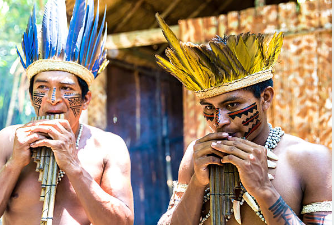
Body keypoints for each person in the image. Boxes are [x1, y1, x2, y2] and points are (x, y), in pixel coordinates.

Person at [155, 14, 332, 225]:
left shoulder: (311, 160)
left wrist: (264, 190)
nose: (219, 120)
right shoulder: (196, 155)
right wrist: (196, 184)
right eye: (210, 108)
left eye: (232, 105)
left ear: (265, 98)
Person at [0, 0, 134, 224]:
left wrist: (73, 167)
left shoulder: (109, 147)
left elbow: (123, 222)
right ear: (30, 94)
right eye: (42, 87)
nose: (53, 99)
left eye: (66, 89)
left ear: (85, 100)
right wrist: (14, 164)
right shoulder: (7, 139)